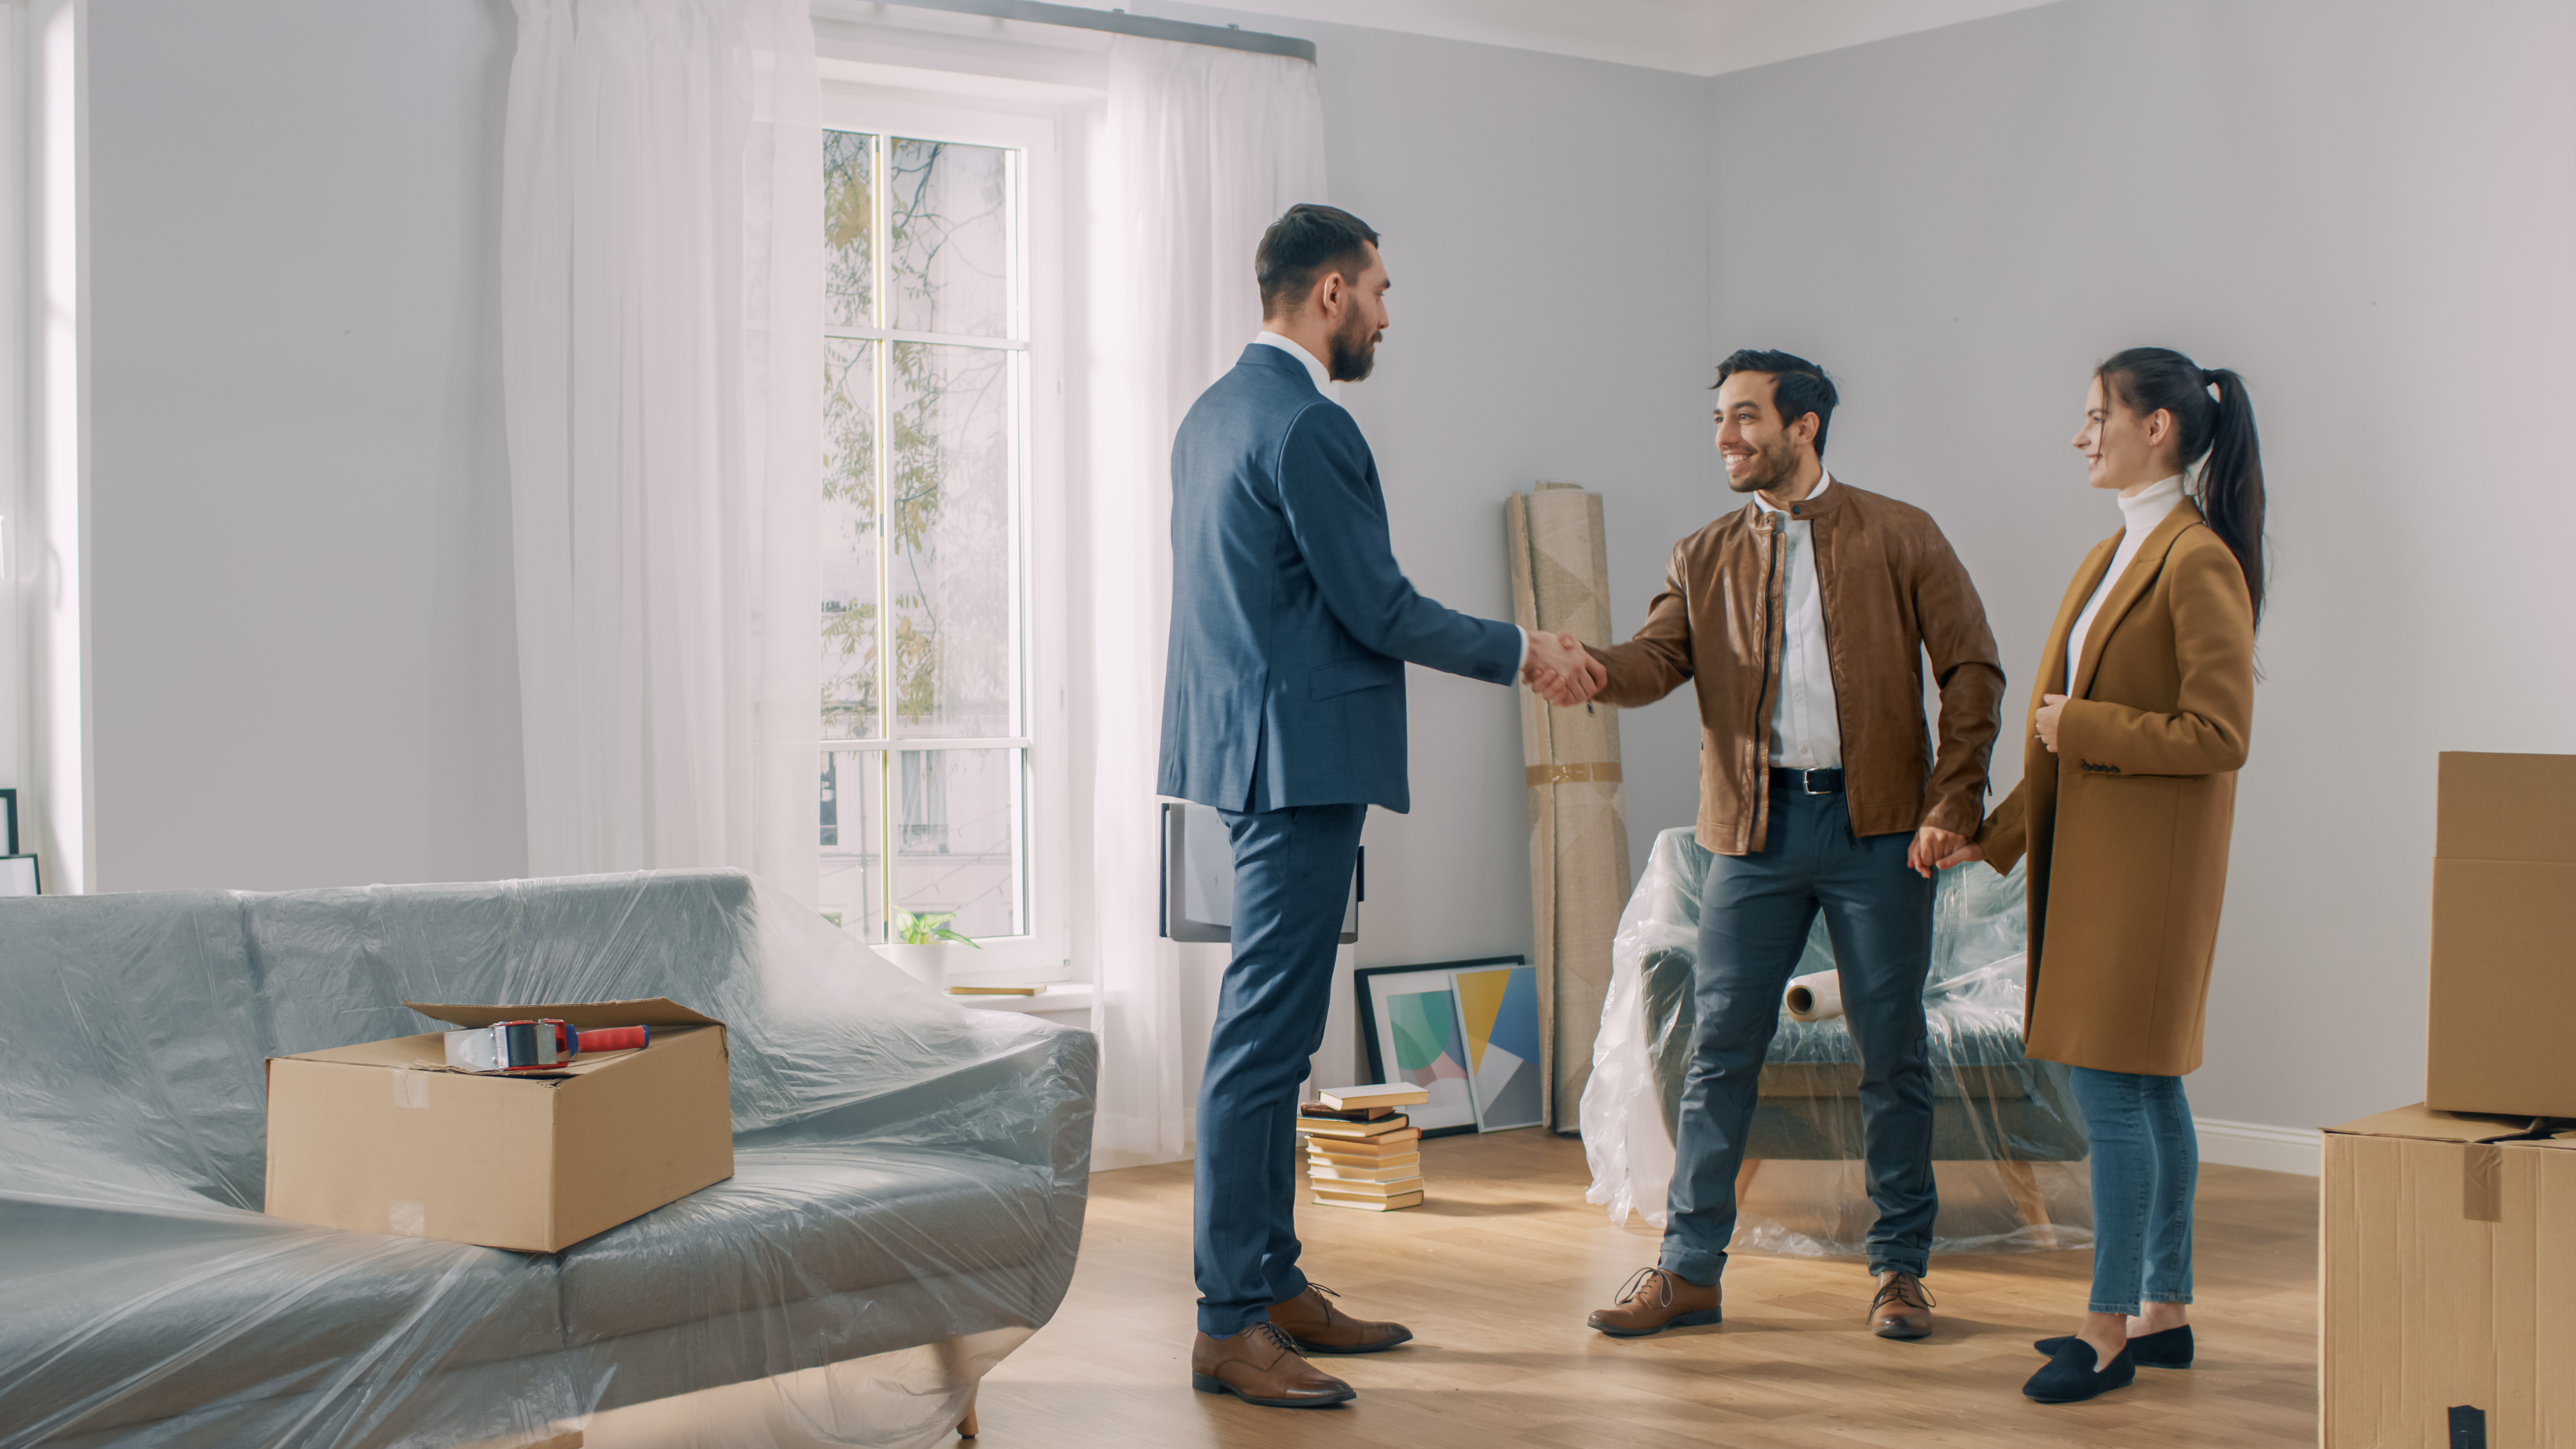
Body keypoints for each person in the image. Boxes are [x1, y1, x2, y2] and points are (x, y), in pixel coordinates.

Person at [1158, 203, 1604, 1410]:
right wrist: (1527, 650)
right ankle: (1228, 1321)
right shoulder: (1308, 426)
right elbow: (1381, 608)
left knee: (1274, 1034)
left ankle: (1270, 1282)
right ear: (1330, 296)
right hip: (1299, 766)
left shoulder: (1211, 417)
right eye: (1380, 290)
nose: (1388, 315)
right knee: (1262, 1042)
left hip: (1245, 755)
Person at [1580, 350, 2004, 1344]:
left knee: (1892, 1058)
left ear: (1803, 427)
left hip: (1882, 832)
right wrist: (1588, 668)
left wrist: (1953, 800)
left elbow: (1970, 667)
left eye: (1744, 418)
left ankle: (1899, 1273)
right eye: (1720, 421)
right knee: (1719, 1053)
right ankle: (1688, 1273)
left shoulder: (1903, 534)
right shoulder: (1702, 552)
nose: (1725, 438)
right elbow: (1654, 661)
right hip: (1753, 833)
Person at [1933, 348, 2263, 1405]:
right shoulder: (2111, 555)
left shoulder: (2195, 560)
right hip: (2095, 870)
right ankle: (2163, 1312)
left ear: (2155, 427)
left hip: (2143, 884)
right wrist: (1987, 837)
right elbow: (2053, 743)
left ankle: (2106, 1326)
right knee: (2147, 1093)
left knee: (2111, 1097)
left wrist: (2084, 724)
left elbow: (2217, 733)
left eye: (2095, 416)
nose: (2081, 436)